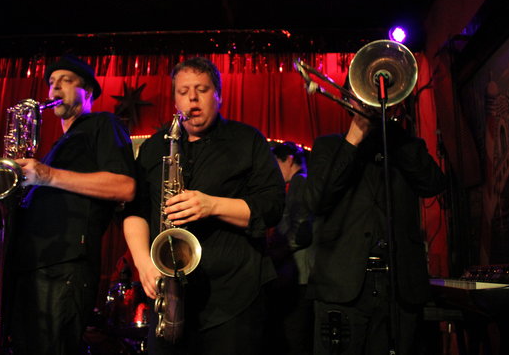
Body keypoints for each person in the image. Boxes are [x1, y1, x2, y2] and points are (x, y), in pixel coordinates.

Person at [123, 57, 285, 355]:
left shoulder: (247, 140)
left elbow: (272, 206)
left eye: (202, 89)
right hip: (169, 297)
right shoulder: (156, 146)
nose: (192, 99)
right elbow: (134, 210)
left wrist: (212, 205)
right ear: (175, 99)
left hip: (234, 296)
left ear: (218, 95)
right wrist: (143, 263)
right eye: (183, 91)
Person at [7, 55, 136, 354]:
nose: (54, 89)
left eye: (66, 81)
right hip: (32, 265)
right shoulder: (57, 148)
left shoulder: (103, 123)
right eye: (52, 82)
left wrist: (47, 175)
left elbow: (125, 187)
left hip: (64, 267)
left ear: (88, 91)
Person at [304, 106, 446, 355]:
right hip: (343, 286)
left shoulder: (405, 145)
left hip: (400, 285)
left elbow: (433, 183)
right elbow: (317, 201)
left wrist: (394, 133)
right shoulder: (328, 146)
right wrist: (353, 138)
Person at [264, 141, 315, 355]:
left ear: (290, 160)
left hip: (300, 274)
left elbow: (301, 230)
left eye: (277, 163)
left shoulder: (299, 182)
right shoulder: (299, 182)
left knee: (294, 336)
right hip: (299, 272)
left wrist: (275, 255)